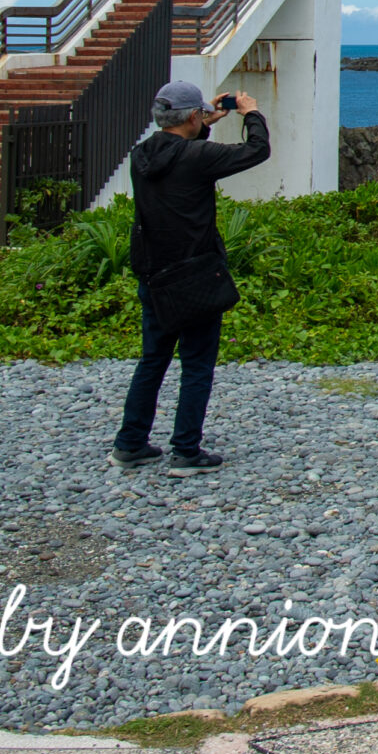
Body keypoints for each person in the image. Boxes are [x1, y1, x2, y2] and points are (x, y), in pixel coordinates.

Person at [115, 82, 268, 475]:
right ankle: (186, 450)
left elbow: (180, 155)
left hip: (154, 272)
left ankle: (130, 443)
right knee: (197, 364)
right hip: (196, 272)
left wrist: (206, 123)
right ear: (191, 117)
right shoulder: (197, 156)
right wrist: (250, 113)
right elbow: (256, 150)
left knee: (153, 359)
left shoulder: (142, 155)